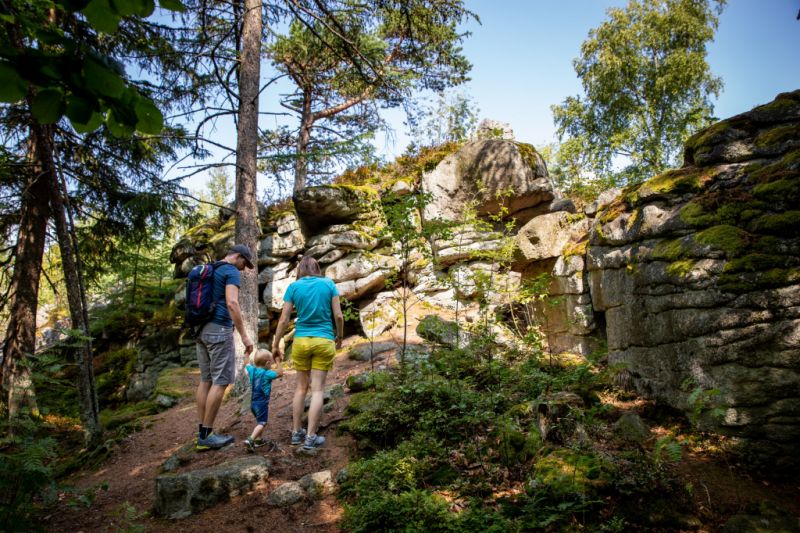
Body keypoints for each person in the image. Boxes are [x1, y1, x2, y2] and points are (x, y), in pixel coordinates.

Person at [272, 256, 344, 450]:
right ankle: (311, 437)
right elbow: (338, 315)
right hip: (323, 340)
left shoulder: (294, 287)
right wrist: (340, 337)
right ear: (317, 268)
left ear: (301, 270)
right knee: (318, 389)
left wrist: (276, 343)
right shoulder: (328, 284)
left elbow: (283, 319)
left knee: (301, 388)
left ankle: (296, 433)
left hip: (301, 342)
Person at [195, 244, 256, 451]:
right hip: (219, 330)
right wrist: (245, 336)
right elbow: (232, 303)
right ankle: (206, 435)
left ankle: (202, 431)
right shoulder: (230, 271)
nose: (243, 269)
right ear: (237, 256)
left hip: (200, 330)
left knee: (206, 380)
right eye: (244, 263)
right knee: (220, 382)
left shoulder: (210, 268)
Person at [244, 348, 283, 452]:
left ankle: (258, 440)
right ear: (267, 363)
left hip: (253, 403)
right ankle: (251, 439)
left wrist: (247, 354)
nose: (271, 366)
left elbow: (246, 364)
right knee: (262, 423)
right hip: (262, 403)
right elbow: (280, 373)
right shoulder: (267, 374)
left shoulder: (252, 370)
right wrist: (278, 361)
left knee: (258, 421)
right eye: (271, 363)